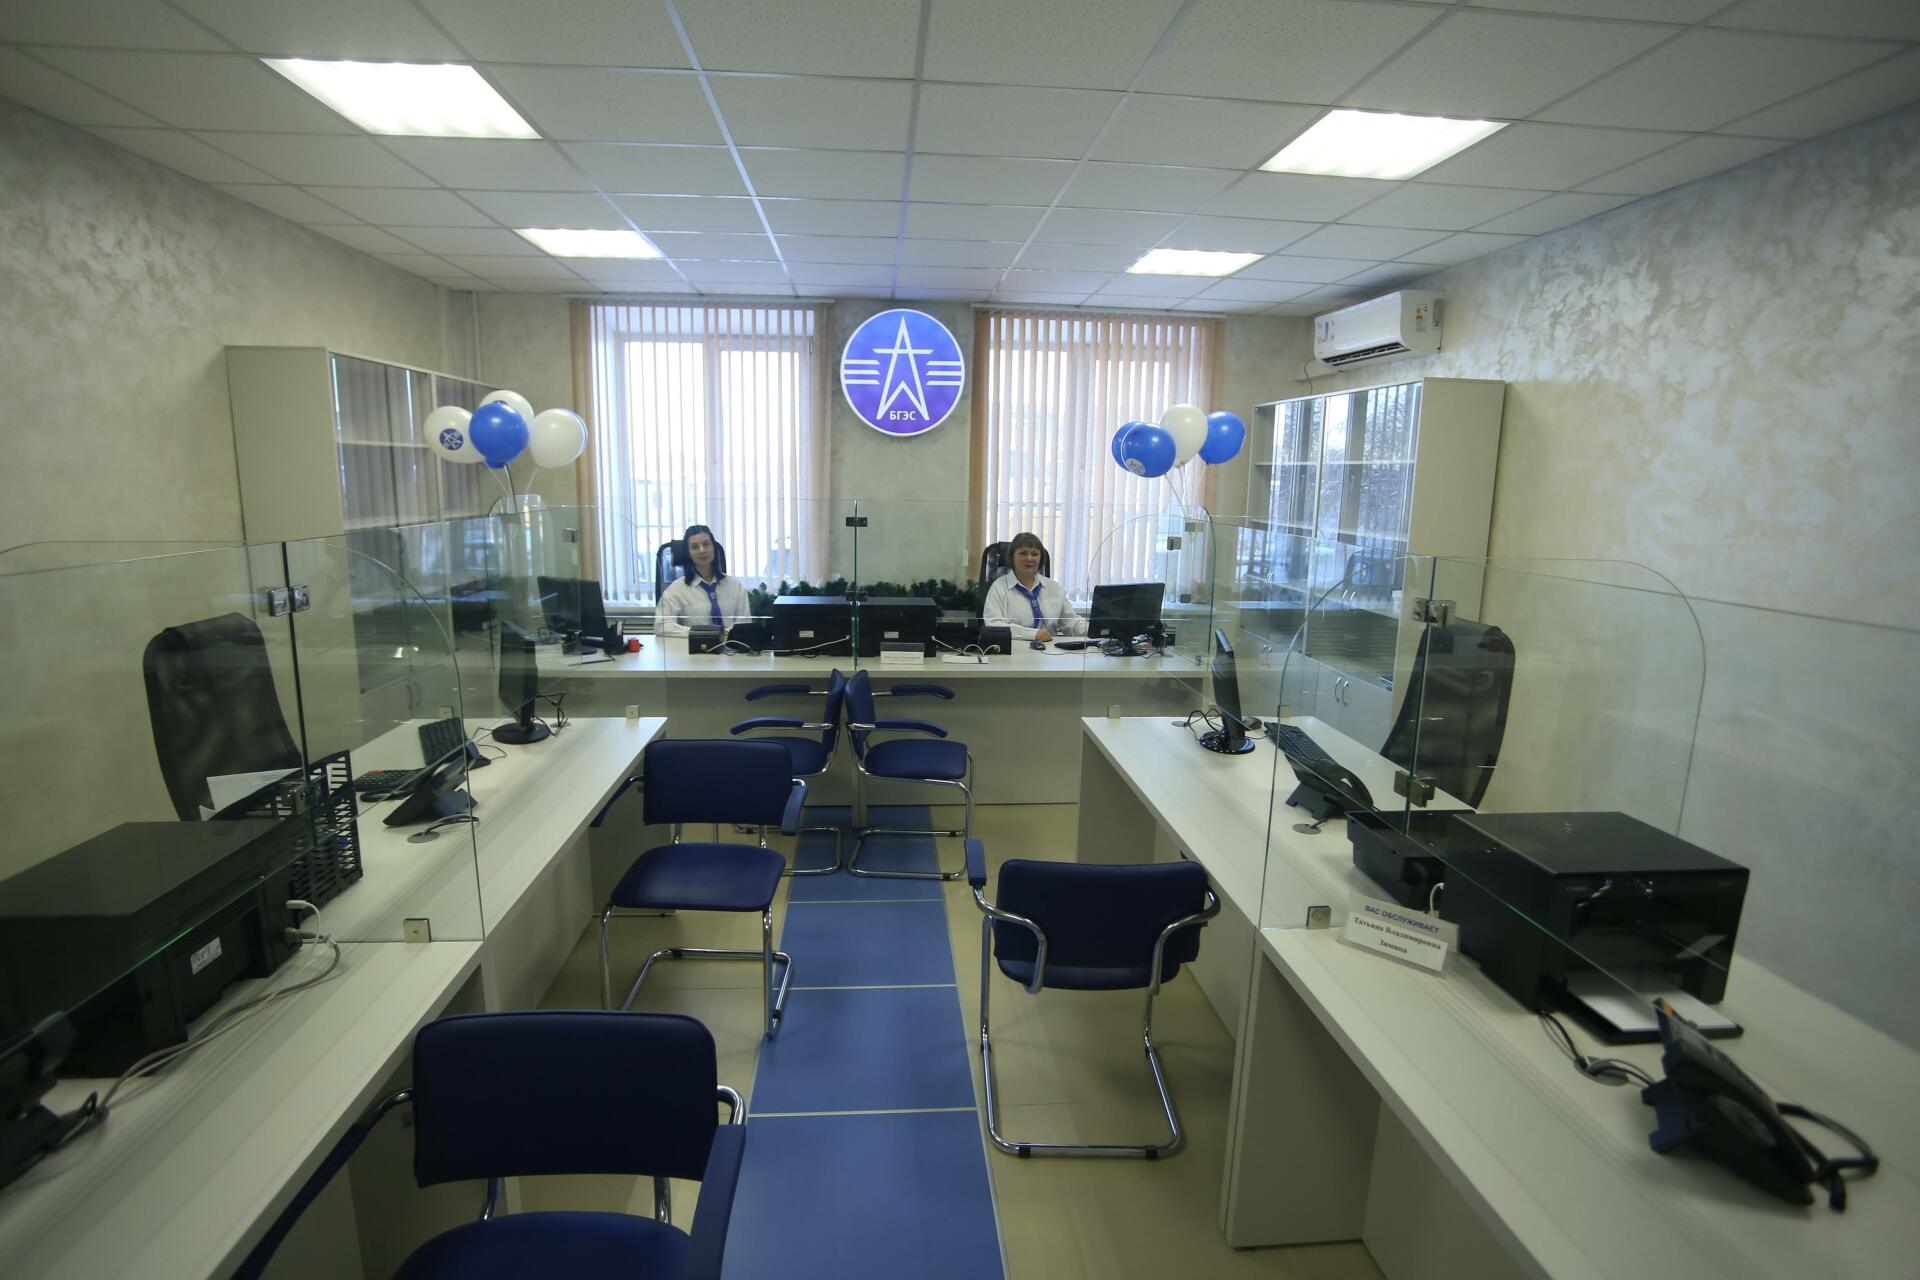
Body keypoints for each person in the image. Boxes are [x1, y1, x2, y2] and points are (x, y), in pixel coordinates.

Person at [982, 532, 1084, 644]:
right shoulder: (998, 588)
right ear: (1012, 557)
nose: (1029, 558)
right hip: (1014, 651)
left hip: (1049, 652)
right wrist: (1032, 634)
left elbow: (1072, 623)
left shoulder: (1054, 588)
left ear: (1041, 558)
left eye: (1035, 554)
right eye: (1023, 553)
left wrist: (1095, 628)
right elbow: (994, 626)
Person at [654, 524, 753, 638]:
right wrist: (699, 633)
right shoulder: (676, 590)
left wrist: (726, 634)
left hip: (731, 647)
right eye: (695, 547)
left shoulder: (735, 586)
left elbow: (744, 625)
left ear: (713, 547)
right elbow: (661, 626)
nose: (702, 550)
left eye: (706, 544)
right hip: (692, 647)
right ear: (688, 553)